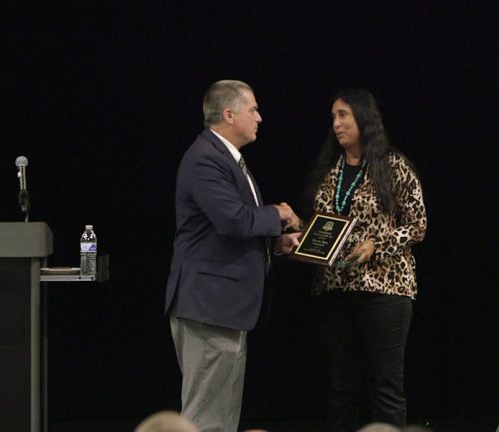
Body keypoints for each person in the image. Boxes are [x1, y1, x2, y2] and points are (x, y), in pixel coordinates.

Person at [165, 79, 300, 432]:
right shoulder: (205, 159)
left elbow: (224, 232)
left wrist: (276, 246)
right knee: (206, 417)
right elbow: (232, 220)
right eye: (253, 109)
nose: (259, 117)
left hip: (224, 308)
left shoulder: (226, 159)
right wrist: (279, 214)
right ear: (229, 114)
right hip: (209, 306)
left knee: (221, 418)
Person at [305, 89, 427, 431]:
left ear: (364, 118)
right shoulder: (330, 168)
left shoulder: (393, 165)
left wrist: (379, 242)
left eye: (343, 115)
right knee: (340, 387)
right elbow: (323, 225)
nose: (336, 124)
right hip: (333, 288)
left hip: (385, 287)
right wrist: (301, 234)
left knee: (385, 384)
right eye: (333, 117)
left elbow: (418, 226)